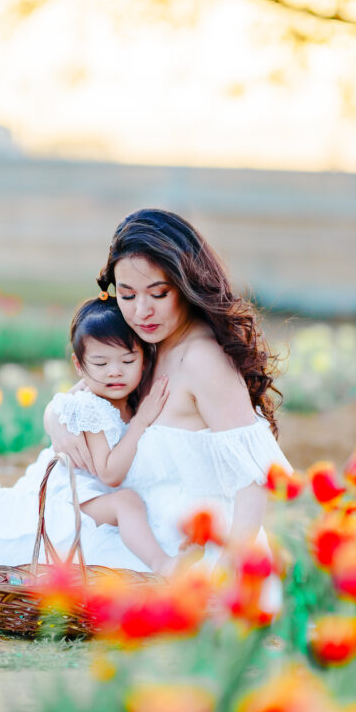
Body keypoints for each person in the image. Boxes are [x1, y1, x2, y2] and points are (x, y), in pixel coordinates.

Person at [44, 208, 293, 567]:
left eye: (158, 294)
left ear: (186, 286)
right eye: (127, 296)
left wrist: (230, 571)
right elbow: (80, 393)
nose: (141, 310)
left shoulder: (201, 359)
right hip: (141, 533)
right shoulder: (146, 344)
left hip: (195, 546)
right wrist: (54, 418)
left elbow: (254, 479)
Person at [0, 296, 179, 575]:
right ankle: (162, 564)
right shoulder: (90, 407)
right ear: (79, 366)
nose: (115, 372)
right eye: (100, 363)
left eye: (127, 360)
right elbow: (109, 473)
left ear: (144, 360)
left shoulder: (127, 398)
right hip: (72, 497)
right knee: (127, 502)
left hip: (94, 491)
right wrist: (142, 421)